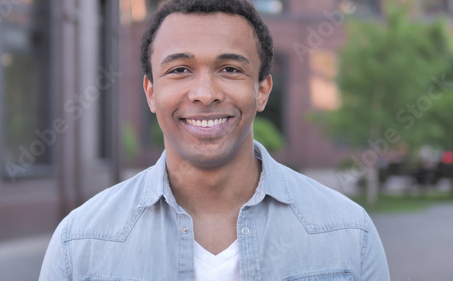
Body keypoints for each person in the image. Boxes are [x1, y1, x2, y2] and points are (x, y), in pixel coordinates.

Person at [39, 0, 390, 280]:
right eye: (179, 70)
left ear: (262, 90)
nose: (205, 94)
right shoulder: (80, 242)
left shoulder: (348, 233)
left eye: (230, 69)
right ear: (150, 92)